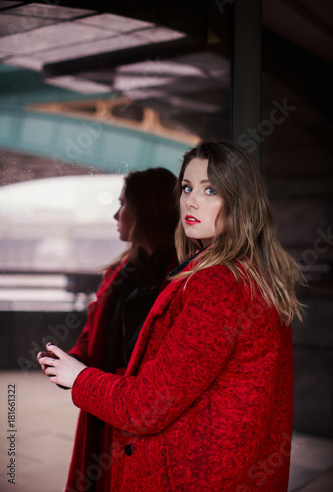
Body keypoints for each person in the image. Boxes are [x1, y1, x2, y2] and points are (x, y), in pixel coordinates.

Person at [38, 140, 304, 492]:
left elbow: (148, 406)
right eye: (187, 188)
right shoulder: (246, 274)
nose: (191, 200)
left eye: (211, 190)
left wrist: (81, 378)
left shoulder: (219, 283)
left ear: (241, 202)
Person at [38, 167, 178, 492]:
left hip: (131, 411)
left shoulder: (179, 279)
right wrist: (70, 362)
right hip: (105, 404)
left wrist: (83, 375)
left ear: (145, 210)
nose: (116, 214)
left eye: (123, 203)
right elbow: (93, 333)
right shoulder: (119, 273)